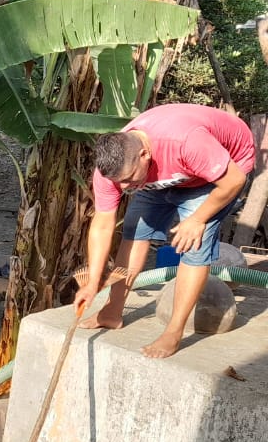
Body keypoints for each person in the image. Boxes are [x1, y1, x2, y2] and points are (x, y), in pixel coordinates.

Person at [76, 104, 255, 358]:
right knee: (134, 229)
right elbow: (103, 224)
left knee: (194, 243)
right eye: (119, 182)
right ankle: (111, 312)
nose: (125, 187)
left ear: (144, 154)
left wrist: (198, 219)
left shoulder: (186, 142)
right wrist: (93, 282)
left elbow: (234, 180)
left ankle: (174, 332)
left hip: (221, 172)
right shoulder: (112, 170)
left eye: (129, 179)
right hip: (173, 170)